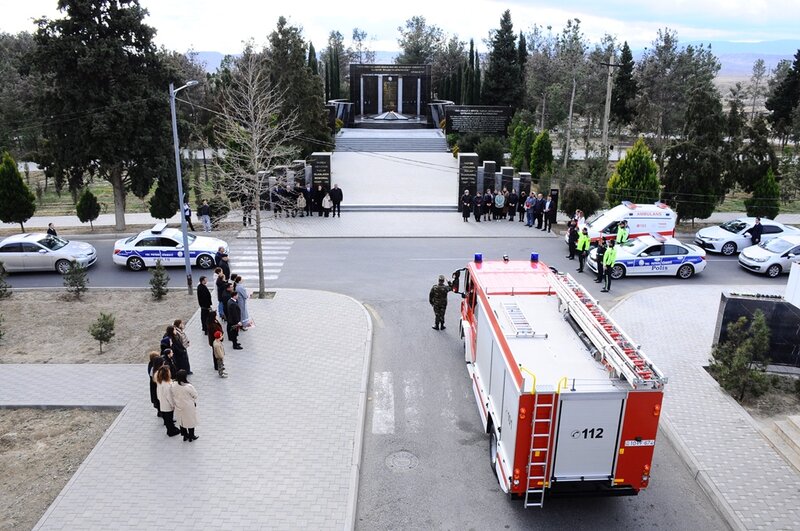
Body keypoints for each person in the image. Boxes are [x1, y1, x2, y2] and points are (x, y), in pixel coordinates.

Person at [172, 370, 199, 442]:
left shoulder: (174, 385)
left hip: (178, 405)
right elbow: (195, 395)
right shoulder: (188, 386)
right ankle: (191, 436)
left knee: (182, 421)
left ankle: (185, 435)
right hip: (188, 406)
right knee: (190, 421)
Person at [155, 366, 181, 437]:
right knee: (169, 418)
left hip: (162, 403)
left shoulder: (160, 382)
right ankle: (171, 431)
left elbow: (158, 393)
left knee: (167, 418)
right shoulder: (166, 385)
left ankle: (170, 429)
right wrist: (173, 405)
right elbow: (169, 397)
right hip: (167, 404)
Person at [147, 351, 164, 417]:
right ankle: (161, 412)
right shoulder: (153, 368)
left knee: (157, 399)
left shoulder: (151, 364)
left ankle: (159, 412)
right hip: (155, 386)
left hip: (154, 385)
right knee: (158, 399)